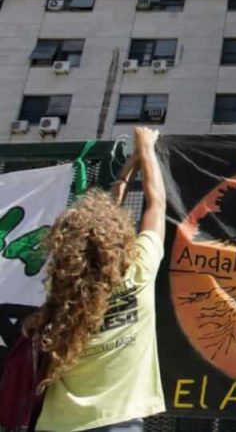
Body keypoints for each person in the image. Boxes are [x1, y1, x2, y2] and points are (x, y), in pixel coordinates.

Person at [28, 126, 167, 432]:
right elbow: (156, 203)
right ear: (117, 235)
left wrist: (125, 174)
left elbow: (99, 228)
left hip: (54, 423)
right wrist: (147, 148)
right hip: (117, 421)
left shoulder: (61, 288)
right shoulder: (139, 272)